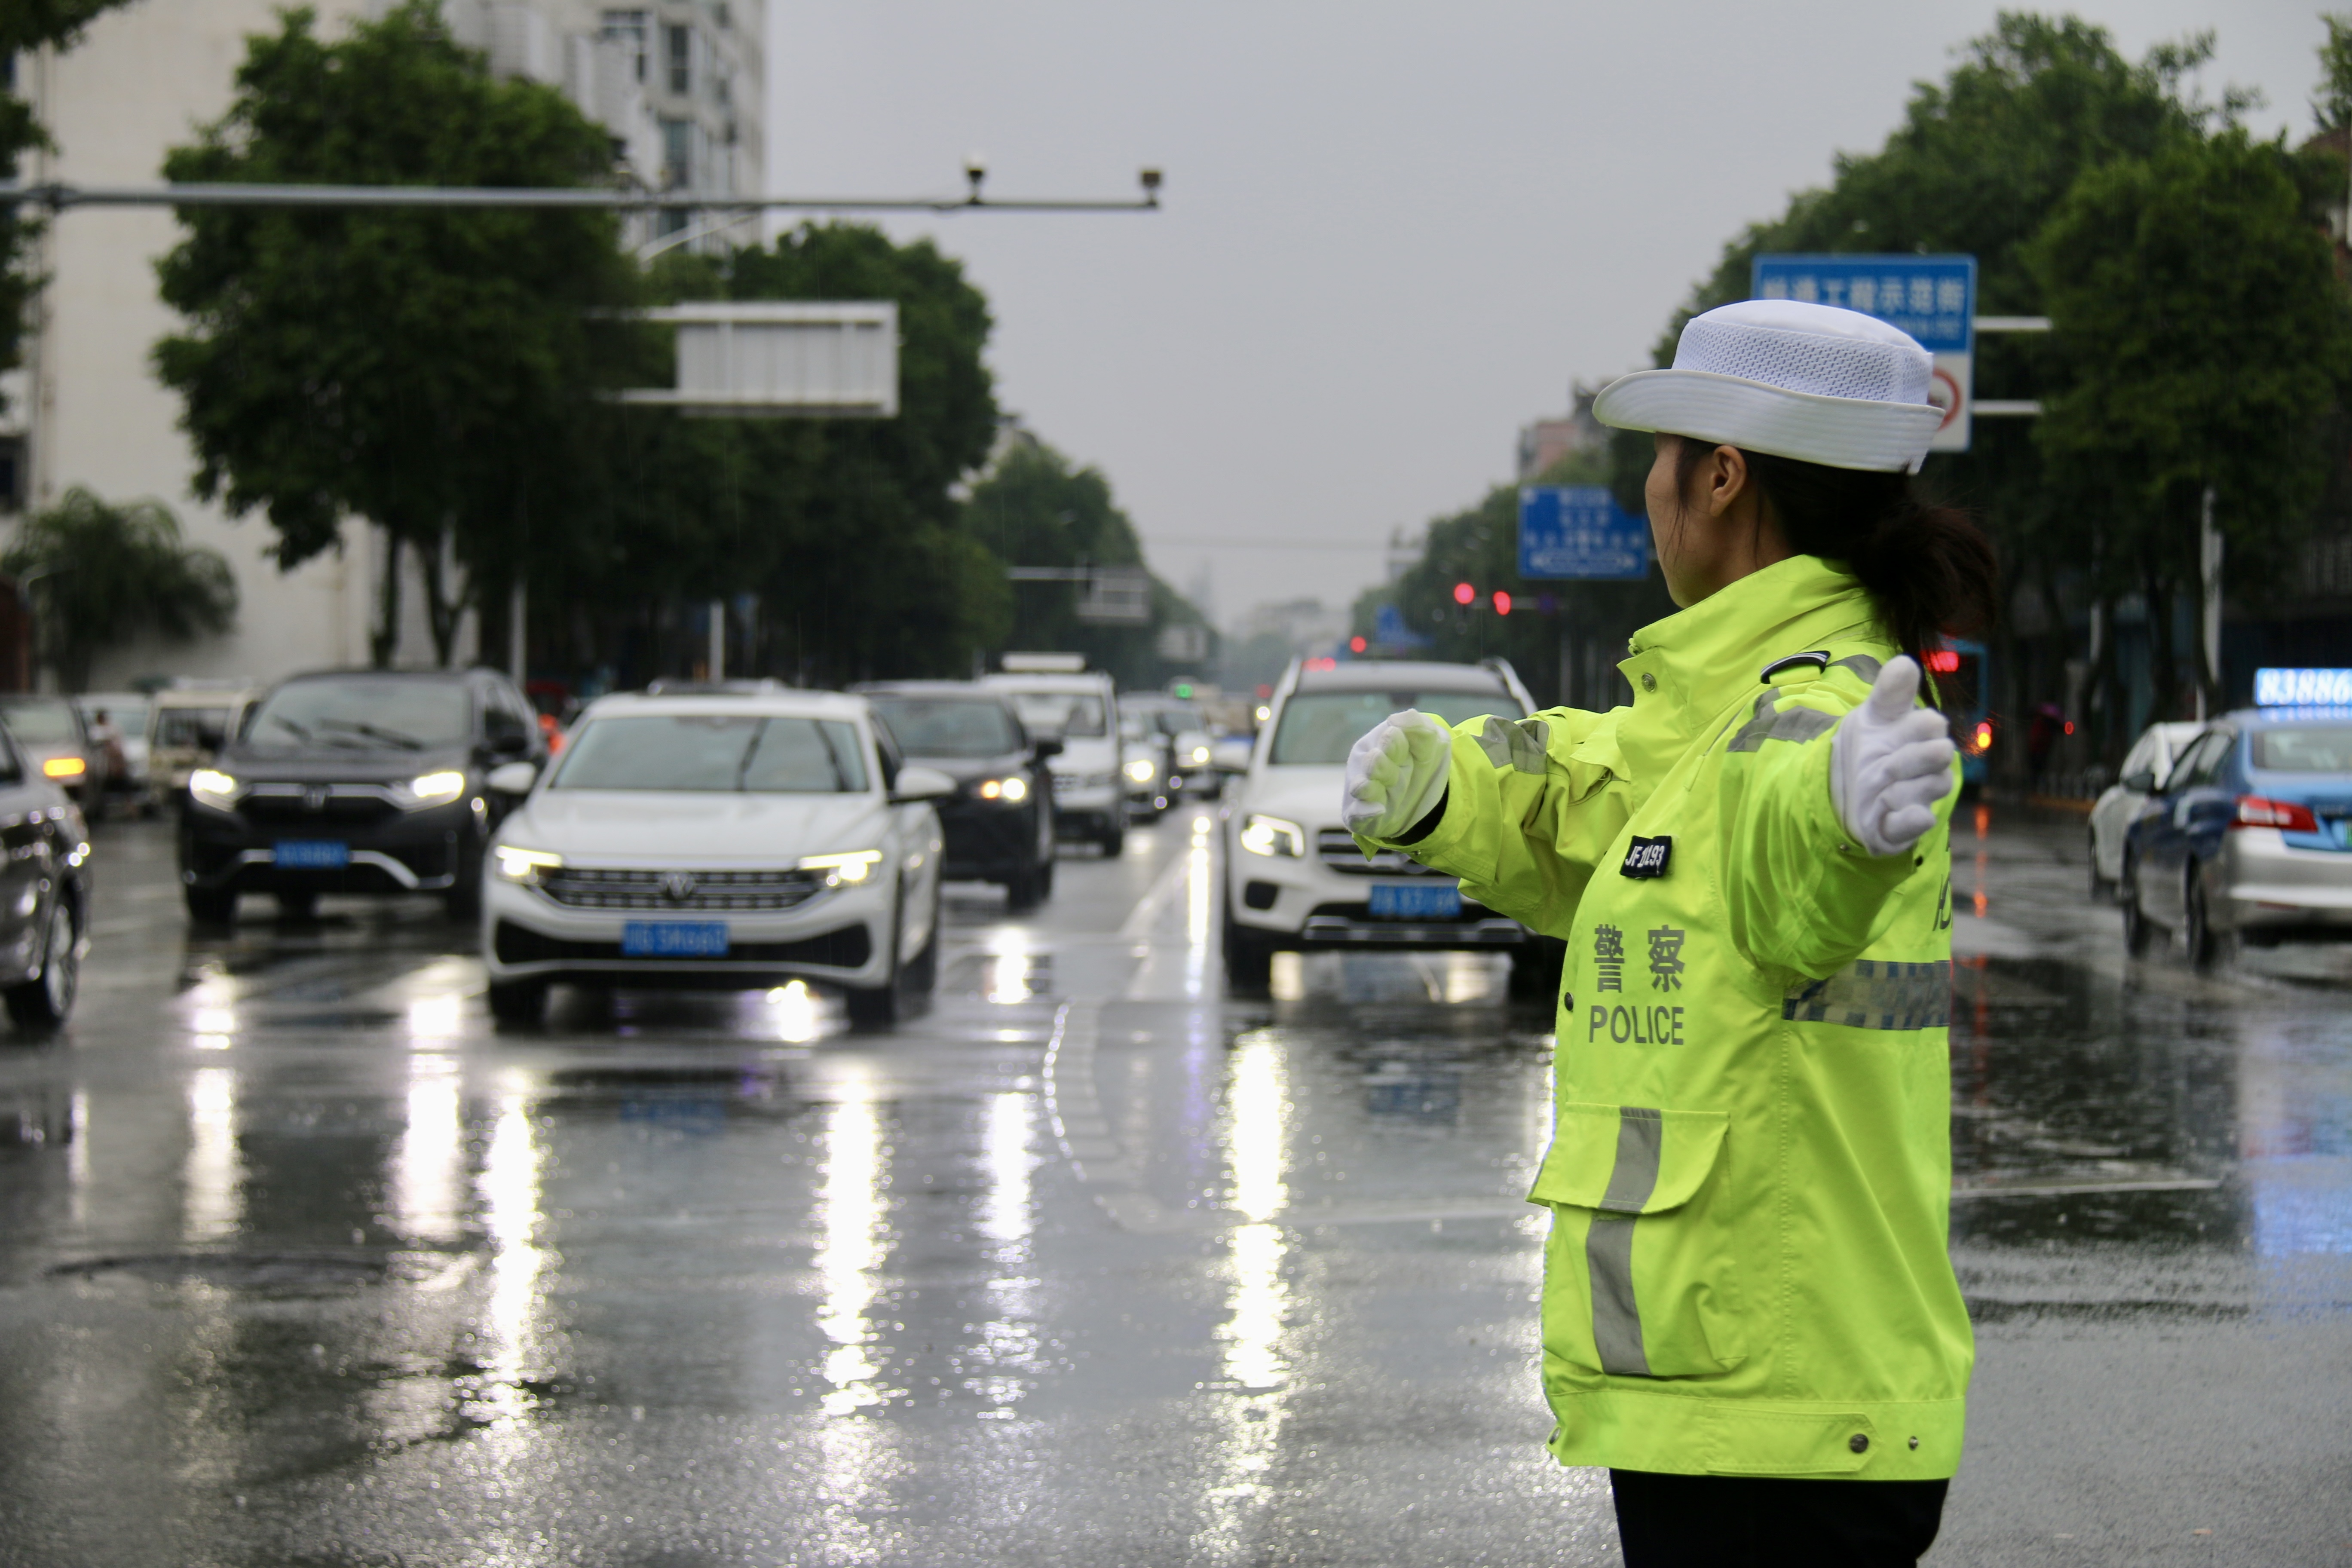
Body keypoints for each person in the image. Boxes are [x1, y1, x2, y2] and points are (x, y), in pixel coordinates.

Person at [1342, 299, 1996, 1566]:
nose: (1647, 494)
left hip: (1780, 1406)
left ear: (1722, 474)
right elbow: (1587, 785)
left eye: (1658, 461)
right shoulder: (1709, 705)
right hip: (1738, 1391)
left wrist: (1847, 827)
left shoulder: (1822, 718)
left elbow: (1782, 846)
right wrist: (1442, 791)